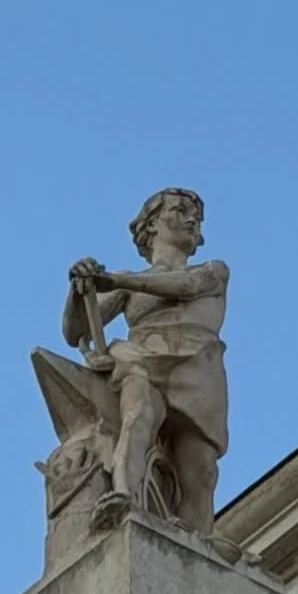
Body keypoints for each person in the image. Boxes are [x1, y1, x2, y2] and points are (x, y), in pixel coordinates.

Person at [64, 188, 228, 536]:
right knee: (138, 416)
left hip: (198, 369)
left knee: (200, 470)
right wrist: (78, 289)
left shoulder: (213, 270)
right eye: (180, 210)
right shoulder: (128, 287)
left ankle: (200, 541)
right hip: (142, 359)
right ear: (151, 225)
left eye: (196, 214)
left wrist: (116, 280)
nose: (192, 218)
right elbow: (74, 331)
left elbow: (184, 286)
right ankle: (123, 496)